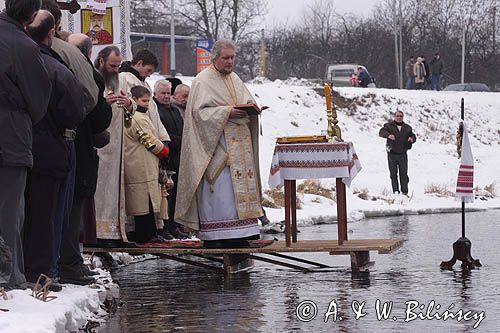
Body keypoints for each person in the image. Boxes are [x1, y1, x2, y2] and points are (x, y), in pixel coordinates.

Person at [175, 39, 264, 248]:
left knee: (237, 193)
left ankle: (243, 233)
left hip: (240, 147)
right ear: (215, 58)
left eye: (232, 57)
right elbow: (199, 113)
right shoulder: (202, 80)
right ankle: (218, 236)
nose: (230, 62)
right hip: (217, 147)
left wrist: (252, 108)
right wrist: (227, 112)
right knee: (221, 191)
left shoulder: (235, 78)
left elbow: (246, 101)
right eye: (226, 58)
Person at [23, 10, 85, 289]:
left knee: (25, 211)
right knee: (48, 214)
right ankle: (42, 273)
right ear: (51, 33)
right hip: (50, 147)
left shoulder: (16, 58)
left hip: (21, 144)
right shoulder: (55, 66)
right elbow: (75, 111)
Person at [0, 0, 52, 290]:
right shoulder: (23, 46)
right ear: (33, 16)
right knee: (9, 210)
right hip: (10, 136)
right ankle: (8, 276)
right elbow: (38, 98)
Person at [63, 33, 112, 283]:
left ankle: (69, 261)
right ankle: (70, 262)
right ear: (90, 54)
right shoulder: (87, 74)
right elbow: (100, 118)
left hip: (63, 145)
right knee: (72, 209)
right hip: (79, 147)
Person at [94, 46, 137, 245]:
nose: (115, 70)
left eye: (118, 66)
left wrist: (128, 103)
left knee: (113, 191)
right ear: (101, 61)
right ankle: (96, 232)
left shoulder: (122, 80)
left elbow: (133, 109)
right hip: (97, 145)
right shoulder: (93, 76)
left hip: (117, 146)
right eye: (112, 65)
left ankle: (113, 232)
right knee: (98, 190)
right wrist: (104, 103)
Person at [124, 86, 170, 243]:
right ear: (134, 100)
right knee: (143, 203)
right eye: (143, 101)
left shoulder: (138, 116)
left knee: (147, 201)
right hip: (140, 164)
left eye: (148, 101)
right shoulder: (136, 116)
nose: (146, 104)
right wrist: (163, 150)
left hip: (143, 163)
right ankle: (145, 235)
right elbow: (146, 138)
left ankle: (149, 233)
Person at [154, 80, 189, 239]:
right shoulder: (157, 111)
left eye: (168, 93)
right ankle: (165, 227)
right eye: (163, 93)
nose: (166, 96)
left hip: (177, 157)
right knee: (165, 196)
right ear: (156, 94)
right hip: (165, 157)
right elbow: (164, 135)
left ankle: (174, 225)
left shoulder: (174, 110)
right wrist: (183, 141)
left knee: (175, 196)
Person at [379, 111, 416, 196]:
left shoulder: (407, 128)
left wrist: (412, 139)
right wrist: (388, 135)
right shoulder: (388, 126)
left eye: (401, 116)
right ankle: (395, 191)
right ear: (394, 117)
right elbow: (381, 132)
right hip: (392, 153)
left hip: (403, 153)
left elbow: (413, 136)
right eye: (398, 116)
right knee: (393, 174)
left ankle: (405, 192)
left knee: (404, 174)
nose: (399, 117)